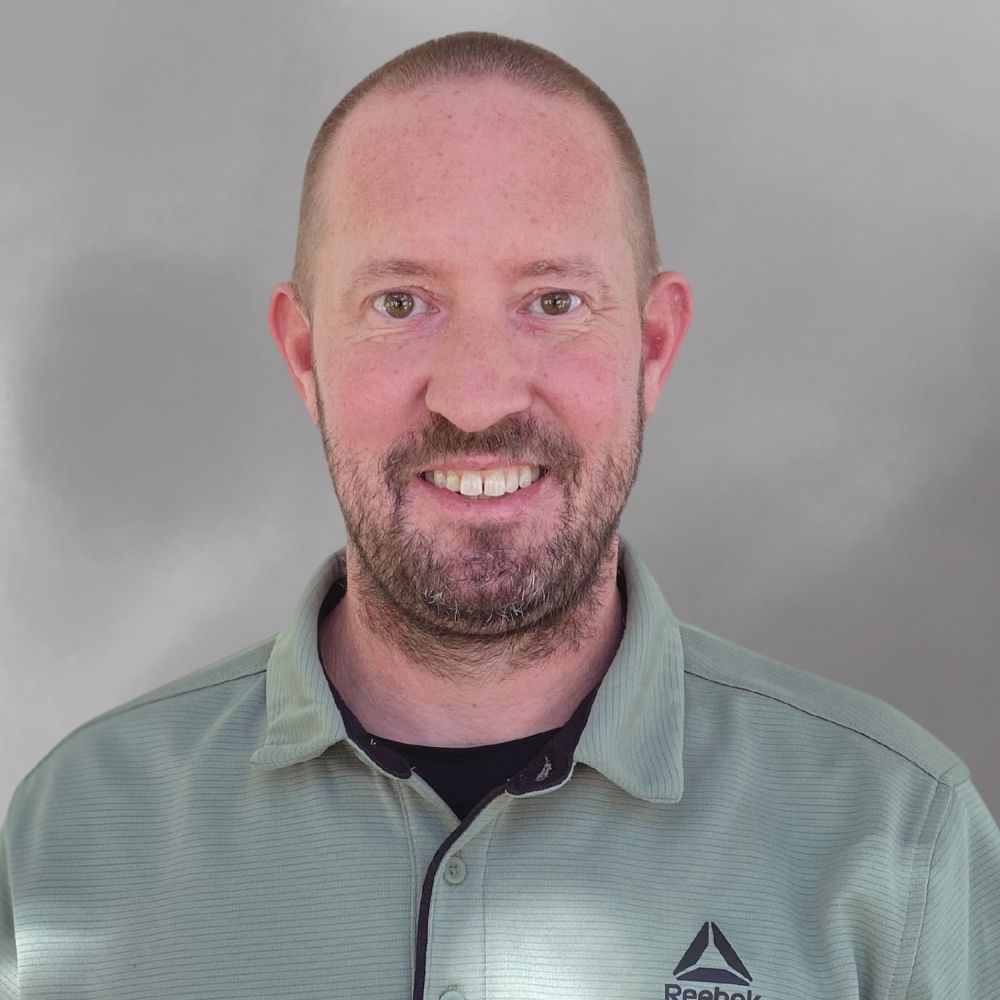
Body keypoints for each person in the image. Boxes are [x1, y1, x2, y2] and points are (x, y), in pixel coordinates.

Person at [1, 30, 997, 1000]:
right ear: (305, 357)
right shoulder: (72, 833)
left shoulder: (898, 833)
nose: (475, 400)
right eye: (400, 303)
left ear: (652, 346)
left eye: (553, 301)